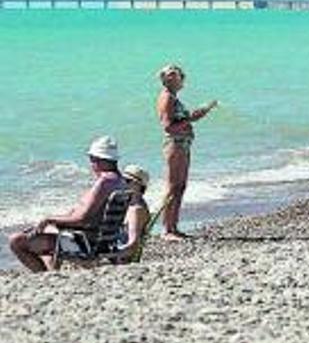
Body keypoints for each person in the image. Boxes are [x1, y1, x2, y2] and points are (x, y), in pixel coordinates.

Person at [7, 137, 126, 273]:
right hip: (103, 240)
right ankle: (51, 273)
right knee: (46, 231)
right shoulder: (120, 182)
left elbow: (82, 219)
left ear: (97, 159)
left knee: (16, 241)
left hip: (84, 242)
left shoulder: (104, 182)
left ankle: (45, 276)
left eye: (92, 159)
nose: (91, 164)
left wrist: (49, 219)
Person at [155, 64, 217, 241]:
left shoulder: (173, 98)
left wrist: (197, 115)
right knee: (173, 186)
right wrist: (190, 119)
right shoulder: (167, 97)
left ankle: (174, 226)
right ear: (165, 79)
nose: (178, 78)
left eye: (179, 75)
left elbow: (181, 120)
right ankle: (167, 229)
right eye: (172, 75)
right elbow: (168, 126)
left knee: (180, 186)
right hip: (175, 143)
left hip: (183, 144)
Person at [119, 165, 151, 264]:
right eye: (121, 180)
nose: (122, 183)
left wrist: (104, 255)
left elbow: (133, 244)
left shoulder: (136, 210)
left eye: (127, 181)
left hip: (121, 259)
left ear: (138, 185)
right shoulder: (132, 204)